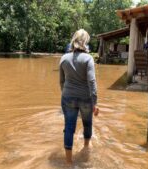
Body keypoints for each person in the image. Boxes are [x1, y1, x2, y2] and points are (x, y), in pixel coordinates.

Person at [59, 29, 99, 166]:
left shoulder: (64, 58)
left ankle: (68, 162)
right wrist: (95, 102)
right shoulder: (88, 58)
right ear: (85, 42)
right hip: (85, 98)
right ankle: (86, 148)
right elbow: (92, 81)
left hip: (68, 97)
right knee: (87, 123)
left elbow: (61, 82)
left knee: (69, 128)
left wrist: (65, 95)